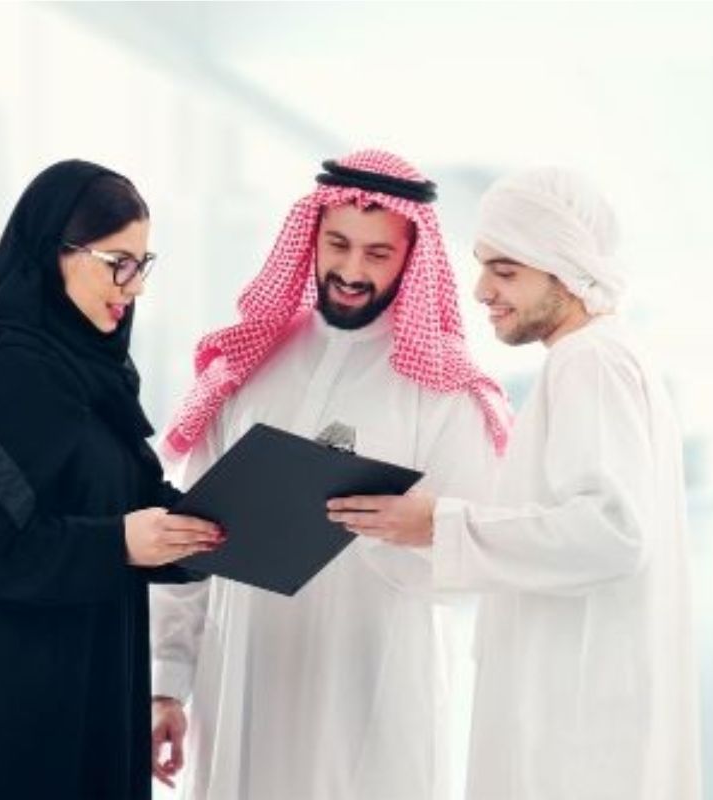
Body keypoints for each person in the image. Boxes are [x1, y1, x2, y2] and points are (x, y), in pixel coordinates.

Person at [328, 167, 702, 799]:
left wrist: (439, 523)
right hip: (579, 702)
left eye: (505, 272)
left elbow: (612, 533)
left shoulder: (589, 361)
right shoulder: (600, 356)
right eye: (483, 267)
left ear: (565, 272)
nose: (482, 291)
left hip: (578, 722)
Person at [150, 150, 509, 800]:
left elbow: (480, 555)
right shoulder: (247, 366)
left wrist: (413, 530)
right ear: (311, 237)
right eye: (338, 244)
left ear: (411, 258)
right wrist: (166, 684)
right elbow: (187, 540)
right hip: (242, 677)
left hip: (371, 688)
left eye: (378, 253)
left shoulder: (445, 392)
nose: (351, 270)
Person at [0, 160, 221, 800]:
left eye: (142, 264)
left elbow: (116, 503)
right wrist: (118, 543)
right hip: (2, 715)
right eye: (118, 263)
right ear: (52, 254)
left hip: (82, 689)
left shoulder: (94, 377)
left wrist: (221, 526)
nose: (134, 287)